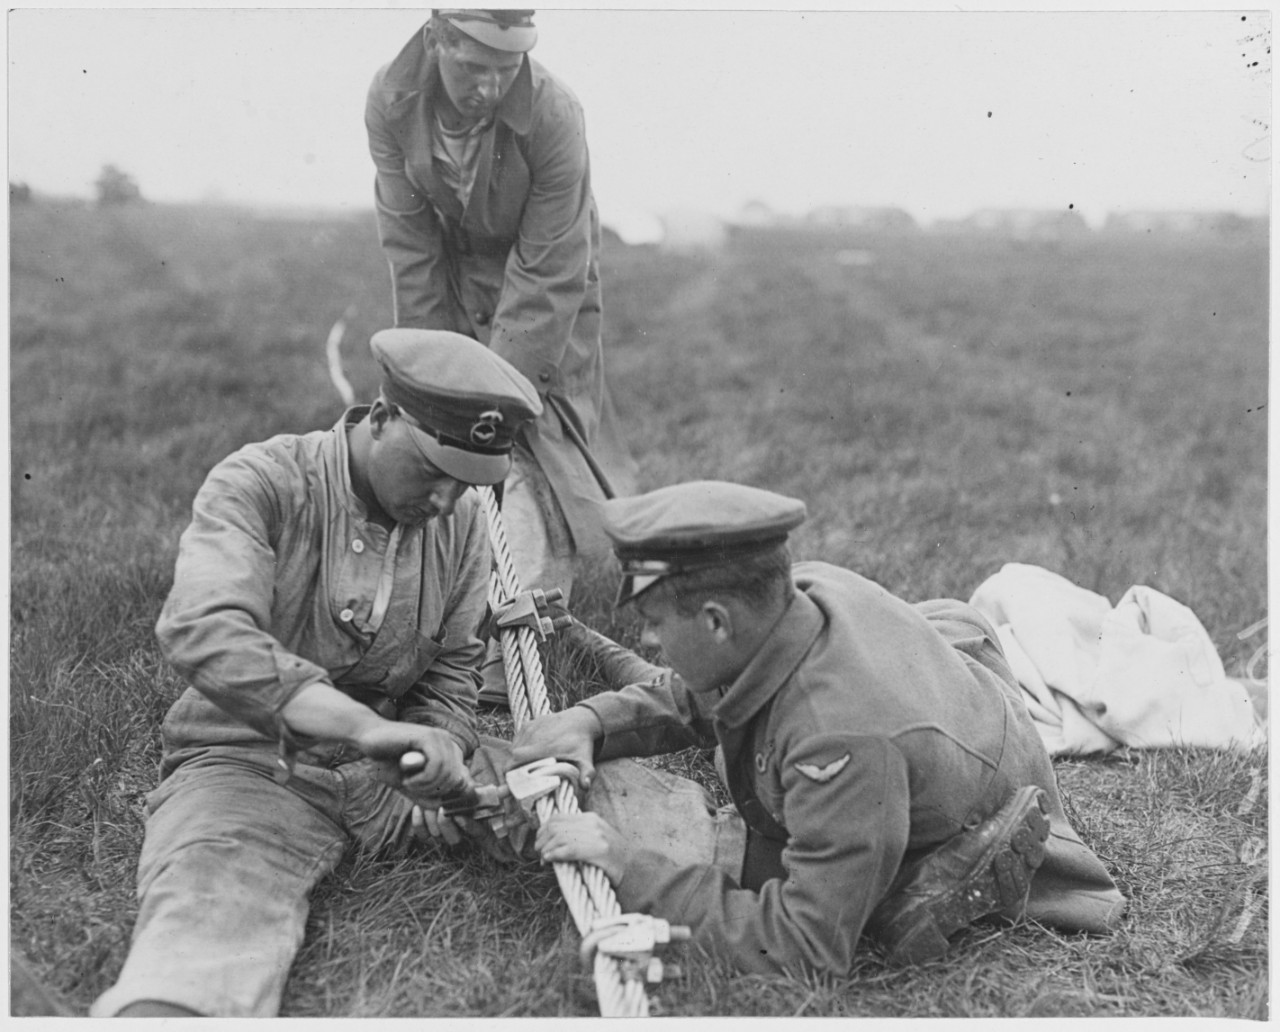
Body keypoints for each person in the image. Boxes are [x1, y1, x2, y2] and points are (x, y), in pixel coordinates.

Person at [90, 329, 542, 1018]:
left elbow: (452, 669)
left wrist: (439, 744)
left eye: (470, 485)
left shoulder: (462, 521)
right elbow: (204, 630)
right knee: (209, 925)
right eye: (432, 472)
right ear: (382, 419)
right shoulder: (262, 482)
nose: (448, 502)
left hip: (396, 780)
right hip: (252, 768)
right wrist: (364, 728)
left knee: (576, 794)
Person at [511, 481, 1128, 976]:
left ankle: (926, 870)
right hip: (956, 692)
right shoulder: (795, 596)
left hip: (969, 779)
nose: (645, 639)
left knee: (746, 833)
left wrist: (627, 866)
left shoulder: (839, 742)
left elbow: (805, 941)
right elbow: (712, 687)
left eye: (652, 621)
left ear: (717, 621)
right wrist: (593, 721)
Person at [365, 9, 635, 704]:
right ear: (436, 42)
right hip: (452, 280)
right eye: (472, 66)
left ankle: (514, 640)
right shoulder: (391, 102)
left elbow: (549, 268)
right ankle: (431, 621)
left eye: (504, 68)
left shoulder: (554, 115)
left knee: (529, 444)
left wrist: (496, 397)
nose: (488, 86)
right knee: (432, 438)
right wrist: (429, 381)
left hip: (550, 282)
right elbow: (411, 245)